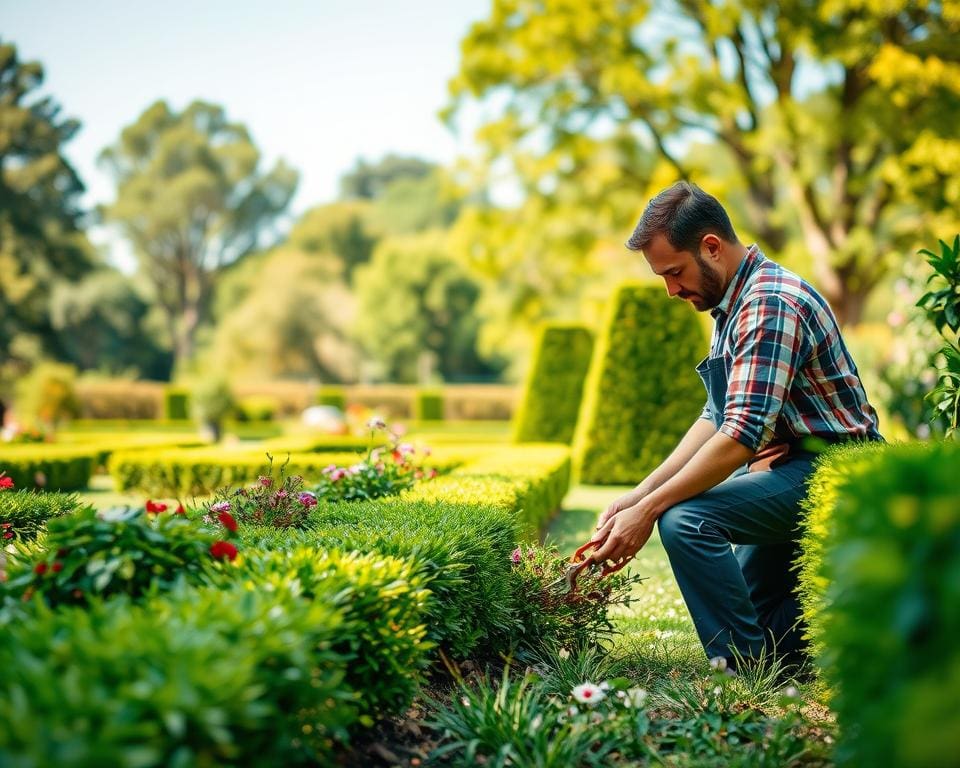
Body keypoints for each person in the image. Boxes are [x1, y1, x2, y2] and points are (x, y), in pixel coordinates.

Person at [589, 181, 883, 672]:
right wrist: (635, 497)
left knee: (686, 521)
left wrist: (651, 512)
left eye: (675, 272)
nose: (672, 289)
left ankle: (742, 669)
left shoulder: (769, 304)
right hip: (790, 468)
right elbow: (715, 416)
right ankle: (826, 646)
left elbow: (739, 437)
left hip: (837, 468)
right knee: (763, 624)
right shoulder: (731, 302)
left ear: (711, 247)